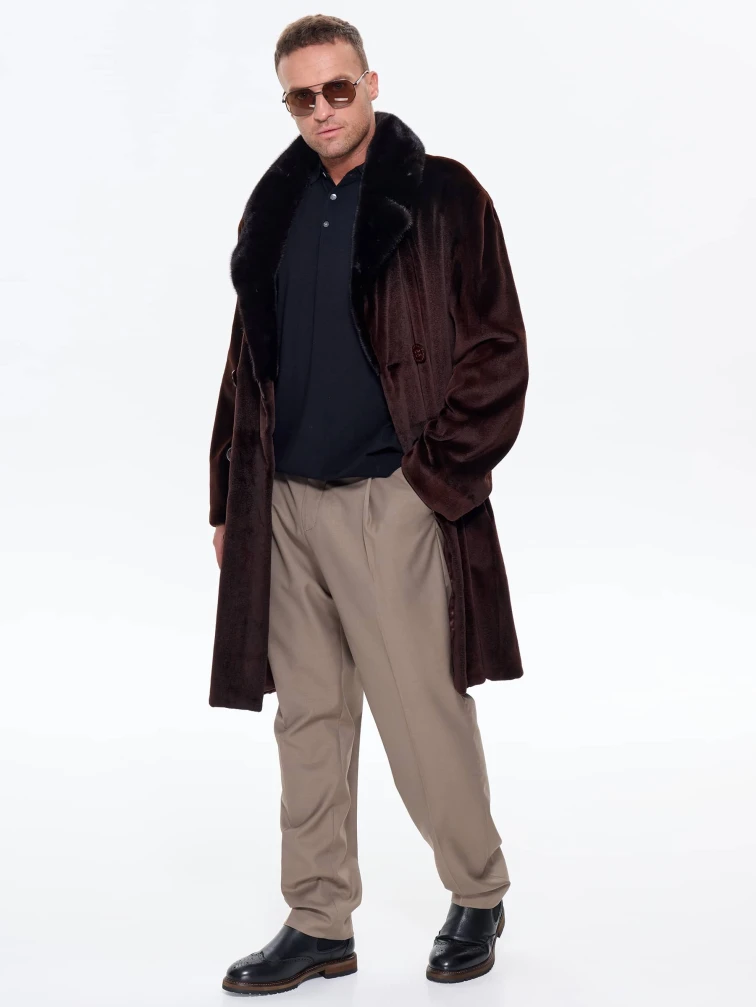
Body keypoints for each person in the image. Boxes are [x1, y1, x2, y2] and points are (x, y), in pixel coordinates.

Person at [209, 14, 529, 995]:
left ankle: (477, 890)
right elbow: (245, 360)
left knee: (421, 712)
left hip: (390, 498)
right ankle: (319, 921)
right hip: (284, 501)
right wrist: (228, 494)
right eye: (302, 96)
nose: (323, 110)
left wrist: (431, 482)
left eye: (337, 88)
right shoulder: (275, 204)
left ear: (371, 83)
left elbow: (497, 353)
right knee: (307, 721)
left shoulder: (442, 196)